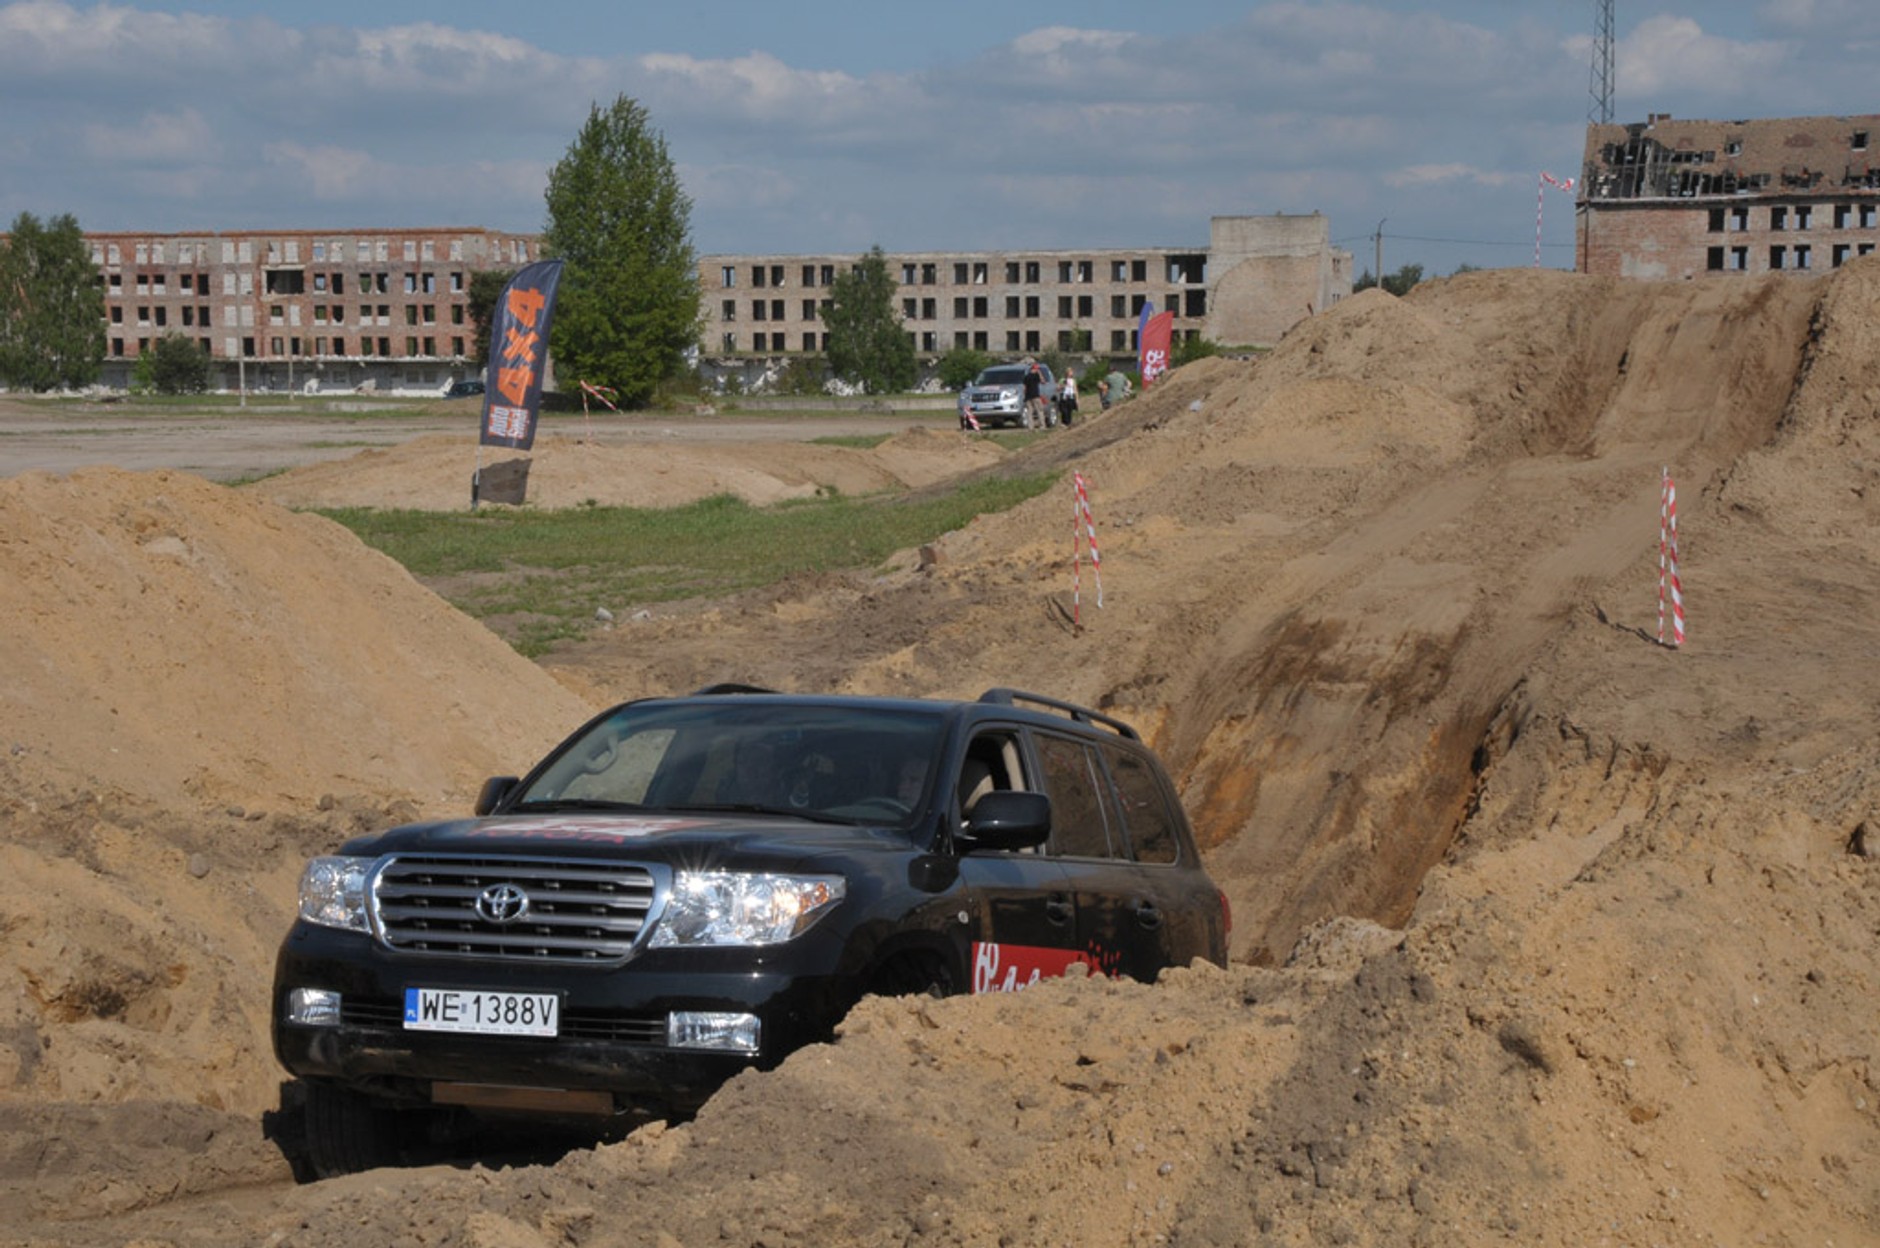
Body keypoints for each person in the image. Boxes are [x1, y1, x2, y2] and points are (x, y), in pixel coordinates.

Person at [1021, 358, 1045, 430]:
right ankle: (1042, 425)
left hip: (1028, 397)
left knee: (1030, 412)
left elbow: (1024, 388)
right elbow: (1043, 381)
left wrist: (1025, 396)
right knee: (1039, 410)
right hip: (1035, 396)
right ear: (1035, 369)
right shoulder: (1036, 375)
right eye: (1037, 369)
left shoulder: (1026, 377)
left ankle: (1030, 427)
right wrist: (1039, 373)